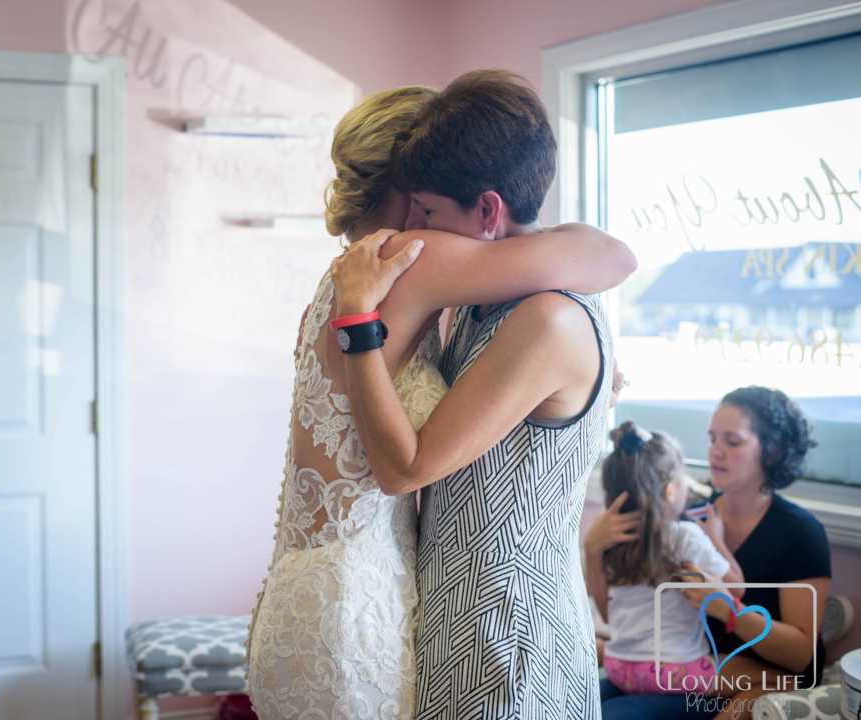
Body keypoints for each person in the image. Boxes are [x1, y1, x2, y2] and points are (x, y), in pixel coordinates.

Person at [245, 84, 636, 718]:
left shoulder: (355, 274)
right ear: (408, 186)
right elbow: (610, 256)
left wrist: (584, 355)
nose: (426, 225)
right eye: (423, 205)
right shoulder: (409, 262)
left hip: (315, 585)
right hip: (359, 601)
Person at [593, 387, 831, 720]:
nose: (714, 452)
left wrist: (726, 608)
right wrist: (593, 551)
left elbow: (802, 659)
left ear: (772, 452)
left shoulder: (800, 534)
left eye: (732, 442)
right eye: (712, 439)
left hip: (748, 682)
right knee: (571, 702)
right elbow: (621, 616)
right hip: (681, 670)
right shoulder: (681, 520)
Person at [586, 422, 742, 697]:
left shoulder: (609, 541)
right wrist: (715, 537)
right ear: (670, 491)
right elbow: (737, 588)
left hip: (619, 668)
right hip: (676, 674)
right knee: (775, 677)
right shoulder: (685, 536)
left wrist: (592, 553)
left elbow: (608, 615)